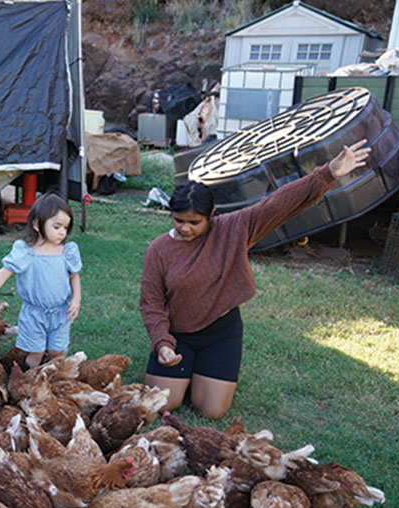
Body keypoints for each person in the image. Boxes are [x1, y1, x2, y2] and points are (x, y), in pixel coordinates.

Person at [139, 139, 372, 419]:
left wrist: (328, 174)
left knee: (211, 411)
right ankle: (184, 371)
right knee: (163, 405)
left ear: (211, 215)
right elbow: (151, 303)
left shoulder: (233, 228)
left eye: (194, 222)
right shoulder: (159, 249)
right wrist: (163, 343)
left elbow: (277, 205)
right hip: (179, 335)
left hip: (220, 334)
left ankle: (196, 374)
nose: (185, 228)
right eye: (178, 220)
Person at [0, 192, 82, 369]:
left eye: (65, 227)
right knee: (36, 351)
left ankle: (54, 377)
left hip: (61, 312)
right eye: (57, 227)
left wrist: (76, 299)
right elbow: (6, 270)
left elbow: (74, 277)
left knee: (57, 351)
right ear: (36, 224)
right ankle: (29, 379)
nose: (62, 232)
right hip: (34, 315)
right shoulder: (26, 252)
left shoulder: (67, 251)